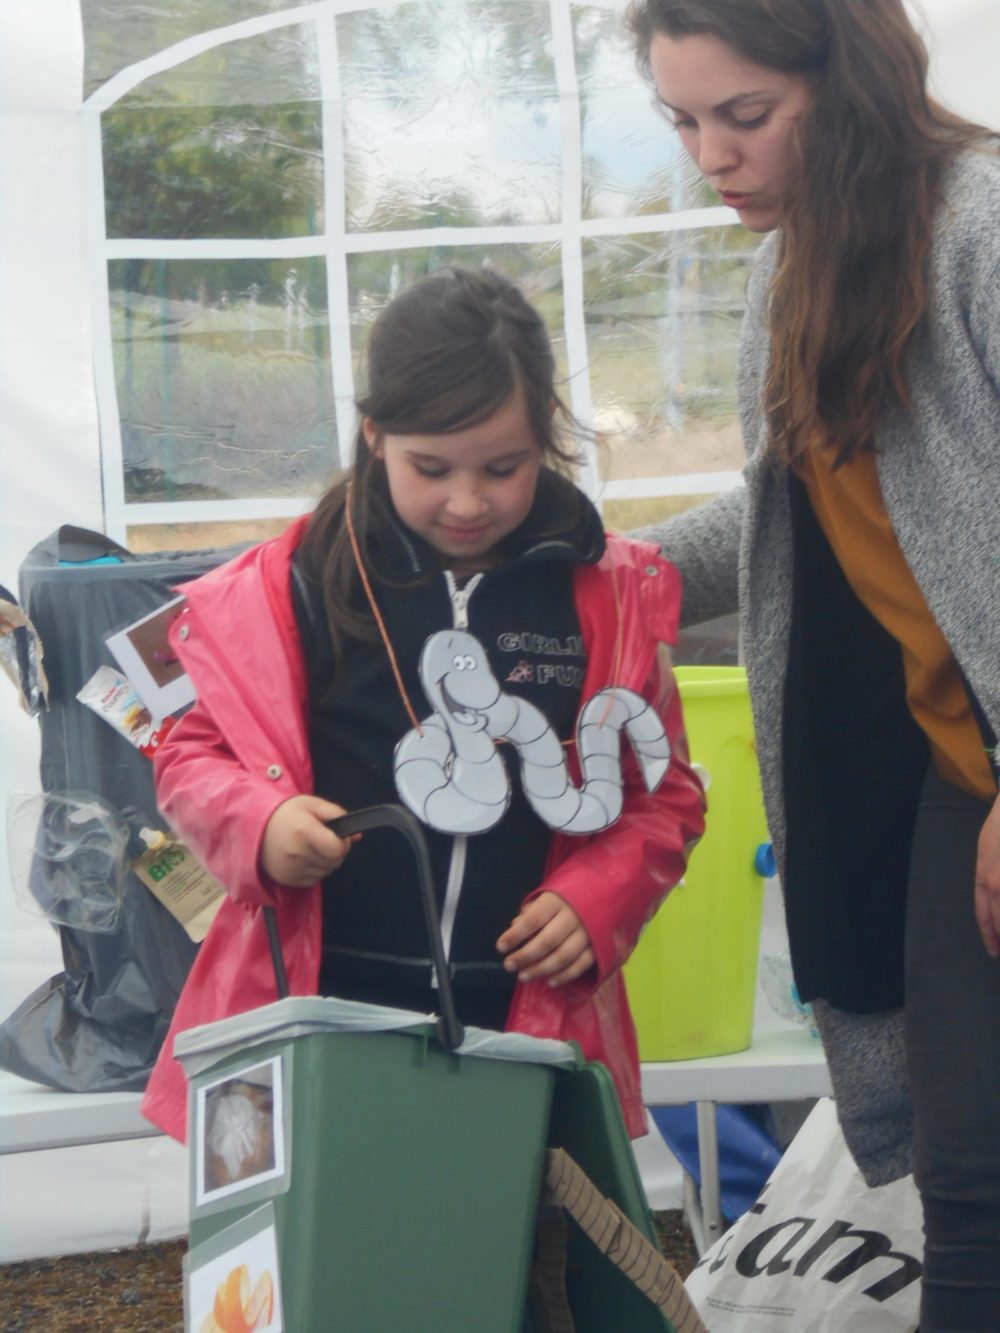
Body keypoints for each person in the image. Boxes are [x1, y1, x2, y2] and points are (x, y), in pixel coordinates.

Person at [141, 264, 705, 1147]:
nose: (469, 502)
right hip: (316, 1026)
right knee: (327, 1231)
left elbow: (664, 795)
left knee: (512, 1230)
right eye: (431, 468)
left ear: (547, 437)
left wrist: (600, 898)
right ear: (374, 435)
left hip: (524, 1028)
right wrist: (258, 821)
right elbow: (186, 756)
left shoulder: (610, 597)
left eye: (504, 468)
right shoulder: (289, 588)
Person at [625, 0, 1000, 1326]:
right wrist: (593, 577)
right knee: (969, 1185)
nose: (711, 157)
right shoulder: (788, 276)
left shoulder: (981, 229)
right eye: (682, 121)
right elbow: (783, 516)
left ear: (852, 86)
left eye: (746, 116)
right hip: (957, 778)